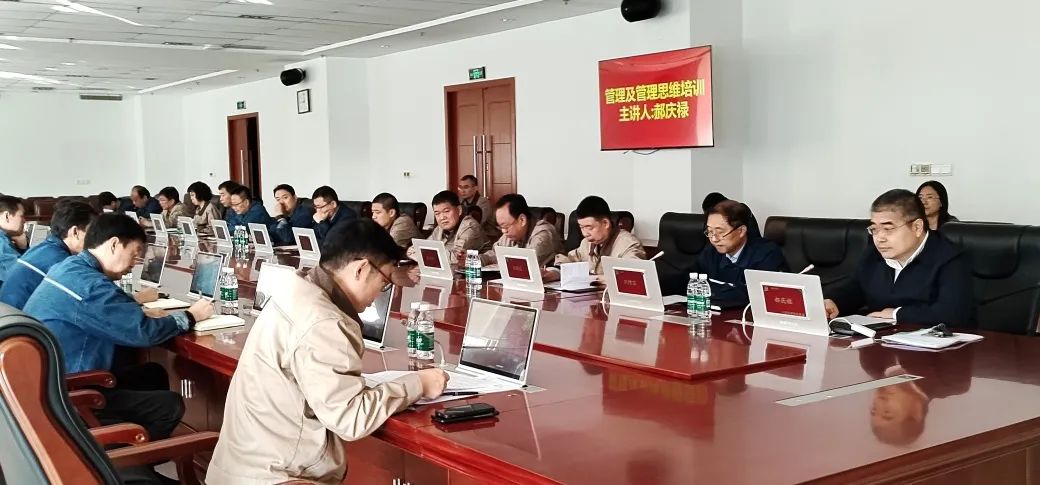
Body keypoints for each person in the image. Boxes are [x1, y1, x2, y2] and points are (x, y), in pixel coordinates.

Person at [207, 219, 448, 484]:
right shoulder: (324, 321)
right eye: (385, 282)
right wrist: (418, 383)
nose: (381, 292)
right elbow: (350, 419)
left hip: (240, 470)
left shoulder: (295, 292)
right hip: (278, 478)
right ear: (361, 269)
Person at [22, 213, 213, 442]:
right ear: (114, 244)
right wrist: (191, 316)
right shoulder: (91, 286)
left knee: (152, 374)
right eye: (134, 254)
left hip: (52, 384)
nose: (134, 264)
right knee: (169, 406)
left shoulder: (69, 267)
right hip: (73, 393)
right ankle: (124, 459)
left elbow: (99, 307)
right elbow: (143, 333)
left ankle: (139, 450)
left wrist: (135, 308)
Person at [824, 189, 975, 327]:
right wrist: (835, 302)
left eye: (888, 229)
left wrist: (896, 314)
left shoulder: (951, 258)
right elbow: (856, 288)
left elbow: (953, 314)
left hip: (933, 344)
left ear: (917, 227)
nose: (879, 238)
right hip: (880, 341)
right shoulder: (873, 254)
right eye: (874, 229)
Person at [0, 201, 98, 310]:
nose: (94, 240)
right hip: (19, 317)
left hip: (8, 312)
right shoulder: (62, 261)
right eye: (91, 233)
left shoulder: (44, 247)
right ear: (75, 232)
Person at [697, 200, 788, 306]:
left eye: (720, 232)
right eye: (710, 231)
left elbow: (752, 295)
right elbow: (689, 281)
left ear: (741, 231)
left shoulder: (767, 253)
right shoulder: (711, 252)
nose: (714, 239)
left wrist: (709, 289)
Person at [551, 196, 645, 280]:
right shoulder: (586, 243)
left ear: (605, 223)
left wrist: (592, 278)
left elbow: (633, 277)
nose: (585, 233)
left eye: (589, 227)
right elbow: (569, 260)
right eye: (582, 227)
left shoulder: (628, 244)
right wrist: (555, 272)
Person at [479, 193, 561, 266]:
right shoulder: (511, 234)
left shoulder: (544, 233)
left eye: (506, 226)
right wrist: (477, 259)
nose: (504, 231)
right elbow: (495, 253)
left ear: (522, 220)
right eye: (501, 227)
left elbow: (525, 263)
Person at [408, 190, 488, 261]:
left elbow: (457, 258)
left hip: (479, 271)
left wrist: (424, 255)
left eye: (446, 211)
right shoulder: (439, 229)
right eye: (437, 214)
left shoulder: (470, 227)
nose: (442, 217)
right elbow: (419, 248)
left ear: (459, 210)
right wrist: (424, 253)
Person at [458, 175, 500, 240]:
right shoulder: (461, 201)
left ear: (475, 188)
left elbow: (476, 224)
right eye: (460, 187)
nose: (462, 191)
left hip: (488, 236)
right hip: (469, 234)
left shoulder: (483, 202)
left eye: (466, 187)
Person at [0, 196, 27, 287]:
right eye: (21, 216)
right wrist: (24, 249)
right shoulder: (2, 242)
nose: (24, 221)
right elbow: (22, 276)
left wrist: (22, 246)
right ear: (7, 216)